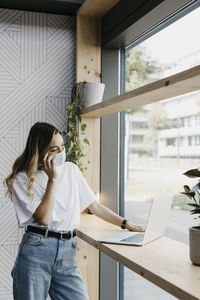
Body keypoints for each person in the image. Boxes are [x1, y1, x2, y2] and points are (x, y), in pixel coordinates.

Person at [4, 122, 145, 300]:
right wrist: (52, 180)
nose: (61, 153)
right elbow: (44, 219)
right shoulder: (22, 178)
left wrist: (126, 223)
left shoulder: (71, 170)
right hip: (37, 251)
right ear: (39, 151)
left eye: (62, 147)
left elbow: (95, 206)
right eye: (54, 149)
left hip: (67, 251)